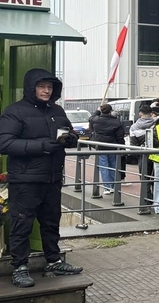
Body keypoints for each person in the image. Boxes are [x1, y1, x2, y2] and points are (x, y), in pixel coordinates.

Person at [0, 69, 82, 288]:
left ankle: (54, 261)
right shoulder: (14, 111)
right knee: (22, 223)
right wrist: (42, 147)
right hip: (25, 180)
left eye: (50, 87)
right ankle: (19, 267)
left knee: (51, 221)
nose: (47, 91)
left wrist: (71, 139)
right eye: (41, 86)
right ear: (31, 88)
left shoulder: (57, 110)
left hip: (52, 178)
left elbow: (68, 134)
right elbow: (5, 144)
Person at [131, 98, 159, 215]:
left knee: (144, 177)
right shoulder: (155, 123)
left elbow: (133, 144)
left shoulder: (134, 127)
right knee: (156, 178)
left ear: (140, 113)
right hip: (155, 153)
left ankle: (146, 200)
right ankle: (156, 199)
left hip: (143, 154)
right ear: (151, 113)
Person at [89, 103, 125, 194]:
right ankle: (113, 186)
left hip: (100, 147)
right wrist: (122, 147)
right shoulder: (116, 122)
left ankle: (107, 187)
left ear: (102, 111)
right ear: (110, 111)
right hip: (113, 146)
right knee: (113, 166)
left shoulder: (97, 120)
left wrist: (97, 111)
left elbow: (91, 118)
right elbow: (120, 136)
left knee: (103, 166)